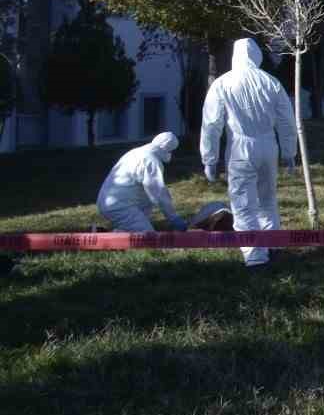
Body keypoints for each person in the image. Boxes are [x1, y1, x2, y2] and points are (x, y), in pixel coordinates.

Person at [200, 37, 298, 268]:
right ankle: (273, 245)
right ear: (257, 55)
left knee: (244, 203)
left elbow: (212, 124)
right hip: (268, 146)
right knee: (267, 199)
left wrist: (209, 159)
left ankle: (255, 257)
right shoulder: (271, 82)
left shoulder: (223, 83)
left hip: (240, 148)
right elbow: (286, 120)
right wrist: (289, 152)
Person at [96, 131, 188, 232]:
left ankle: (102, 233)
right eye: (172, 151)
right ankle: (101, 238)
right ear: (167, 149)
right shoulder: (151, 161)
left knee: (133, 226)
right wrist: (173, 217)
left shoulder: (137, 152)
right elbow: (158, 193)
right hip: (120, 205)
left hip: (110, 201)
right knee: (146, 235)